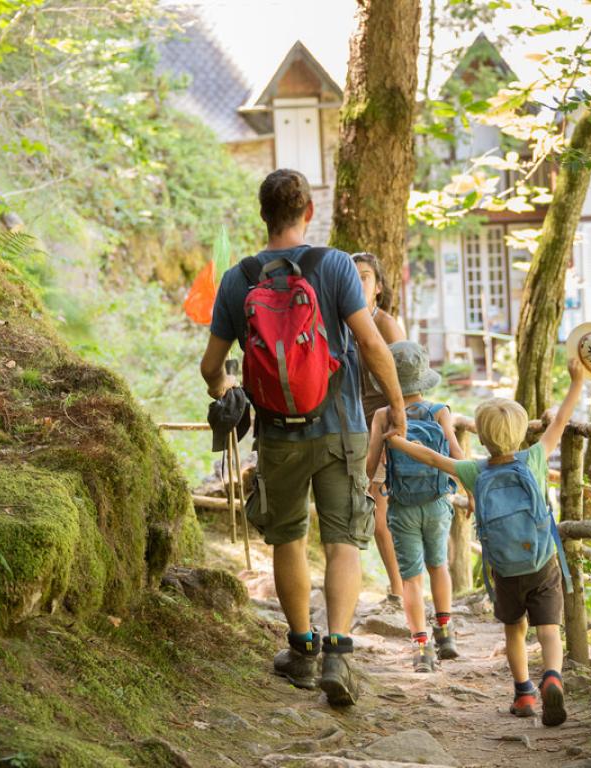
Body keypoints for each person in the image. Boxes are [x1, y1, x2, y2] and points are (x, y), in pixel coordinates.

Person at [200, 169, 406, 707]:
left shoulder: (238, 279)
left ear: (263, 214)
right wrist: (398, 405)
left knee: (287, 538)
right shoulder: (335, 265)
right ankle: (339, 651)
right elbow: (369, 343)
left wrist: (229, 390)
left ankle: (302, 652)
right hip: (341, 427)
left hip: (277, 434)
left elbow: (211, 367)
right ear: (308, 213)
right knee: (342, 540)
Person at [385, 355, 586, 726]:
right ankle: (553, 677)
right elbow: (559, 421)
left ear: (485, 436)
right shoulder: (534, 459)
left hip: (505, 569)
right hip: (541, 562)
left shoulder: (474, 470)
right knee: (548, 630)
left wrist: (397, 442)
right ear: (521, 431)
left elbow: (431, 457)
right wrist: (576, 381)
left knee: (515, 630)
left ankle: (524, 693)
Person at [366, 341, 464, 673]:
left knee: (411, 578)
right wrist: (474, 489)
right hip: (437, 504)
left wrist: (372, 484)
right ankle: (446, 633)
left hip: (402, 505)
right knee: (439, 566)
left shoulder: (383, 415)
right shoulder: (440, 411)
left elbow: (370, 466)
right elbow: (456, 456)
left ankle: (421, 649)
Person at [352, 252, 406, 607]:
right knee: (359, 510)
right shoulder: (343, 324)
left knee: (379, 513)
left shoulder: (386, 326)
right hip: (352, 427)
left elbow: (406, 383)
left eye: (366, 276)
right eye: (352, 277)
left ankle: (399, 589)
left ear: (379, 287)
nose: (358, 282)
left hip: (384, 427)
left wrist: (395, 433)